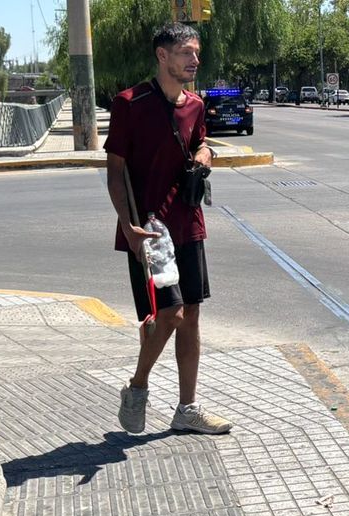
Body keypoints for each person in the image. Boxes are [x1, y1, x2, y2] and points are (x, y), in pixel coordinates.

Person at [104, 22, 232, 435]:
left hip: (188, 221)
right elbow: (115, 171)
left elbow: (201, 142)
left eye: (196, 52)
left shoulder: (195, 104)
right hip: (150, 227)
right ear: (162, 55)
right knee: (168, 313)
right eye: (185, 53)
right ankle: (137, 388)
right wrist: (129, 226)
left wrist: (205, 153)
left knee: (190, 314)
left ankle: (187, 409)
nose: (195, 59)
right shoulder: (130, 103)